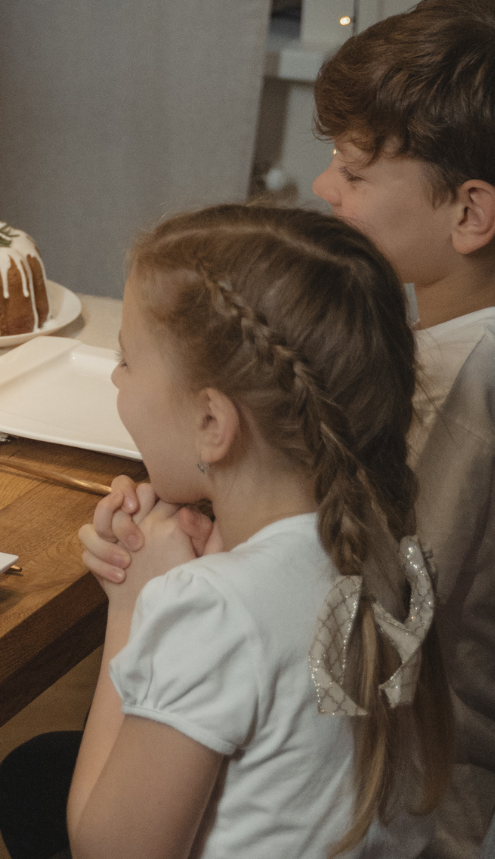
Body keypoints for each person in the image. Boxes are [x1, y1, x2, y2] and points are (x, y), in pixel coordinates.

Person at [59, 0, 495, 859]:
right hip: (364, 777)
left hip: (430, 803)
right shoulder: (424, 353)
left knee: (36, 779)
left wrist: (153, 600)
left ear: (470, 214)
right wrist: (222, 531)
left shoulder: (464, 394)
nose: (325, 187)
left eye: (356, 174)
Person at [66, 204, 453, 857]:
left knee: (26, 781)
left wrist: (132, 604)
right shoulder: (392, 548)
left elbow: (108, 851)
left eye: (126, 359)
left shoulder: (211, 610)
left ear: (212, 424)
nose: (114, 376)